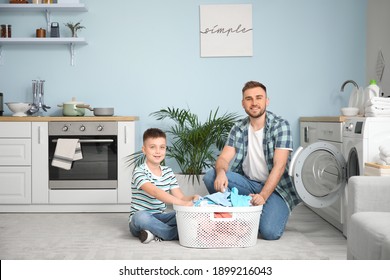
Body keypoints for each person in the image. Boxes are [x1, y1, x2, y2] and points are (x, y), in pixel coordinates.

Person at [203, 81, 301, 240]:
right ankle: (243, 209)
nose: (254, 103)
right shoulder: (238, 127)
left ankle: (248, 212)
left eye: (259, 98)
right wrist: (221, 172)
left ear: (266, 101)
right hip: (248, 183)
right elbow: (223, 158)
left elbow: (280, 165)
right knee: (211, 176)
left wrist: (263, 195)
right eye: (249, 99)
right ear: (243, 103)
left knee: (270, 232)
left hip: (276, 189)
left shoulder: (280, 126)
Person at [129, 128, 199, 244]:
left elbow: (180, 197)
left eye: (162, 147)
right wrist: (183, 204)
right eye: (152, 147)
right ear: (144, 150)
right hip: (141, 219)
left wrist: (192, 198)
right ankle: (177, 233)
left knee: (181, 214)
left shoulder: (168, 172)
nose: (158, 151)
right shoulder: (139, 171)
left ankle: (152, 233)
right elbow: (155, 192)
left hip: (161, 217)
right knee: (140, 217)